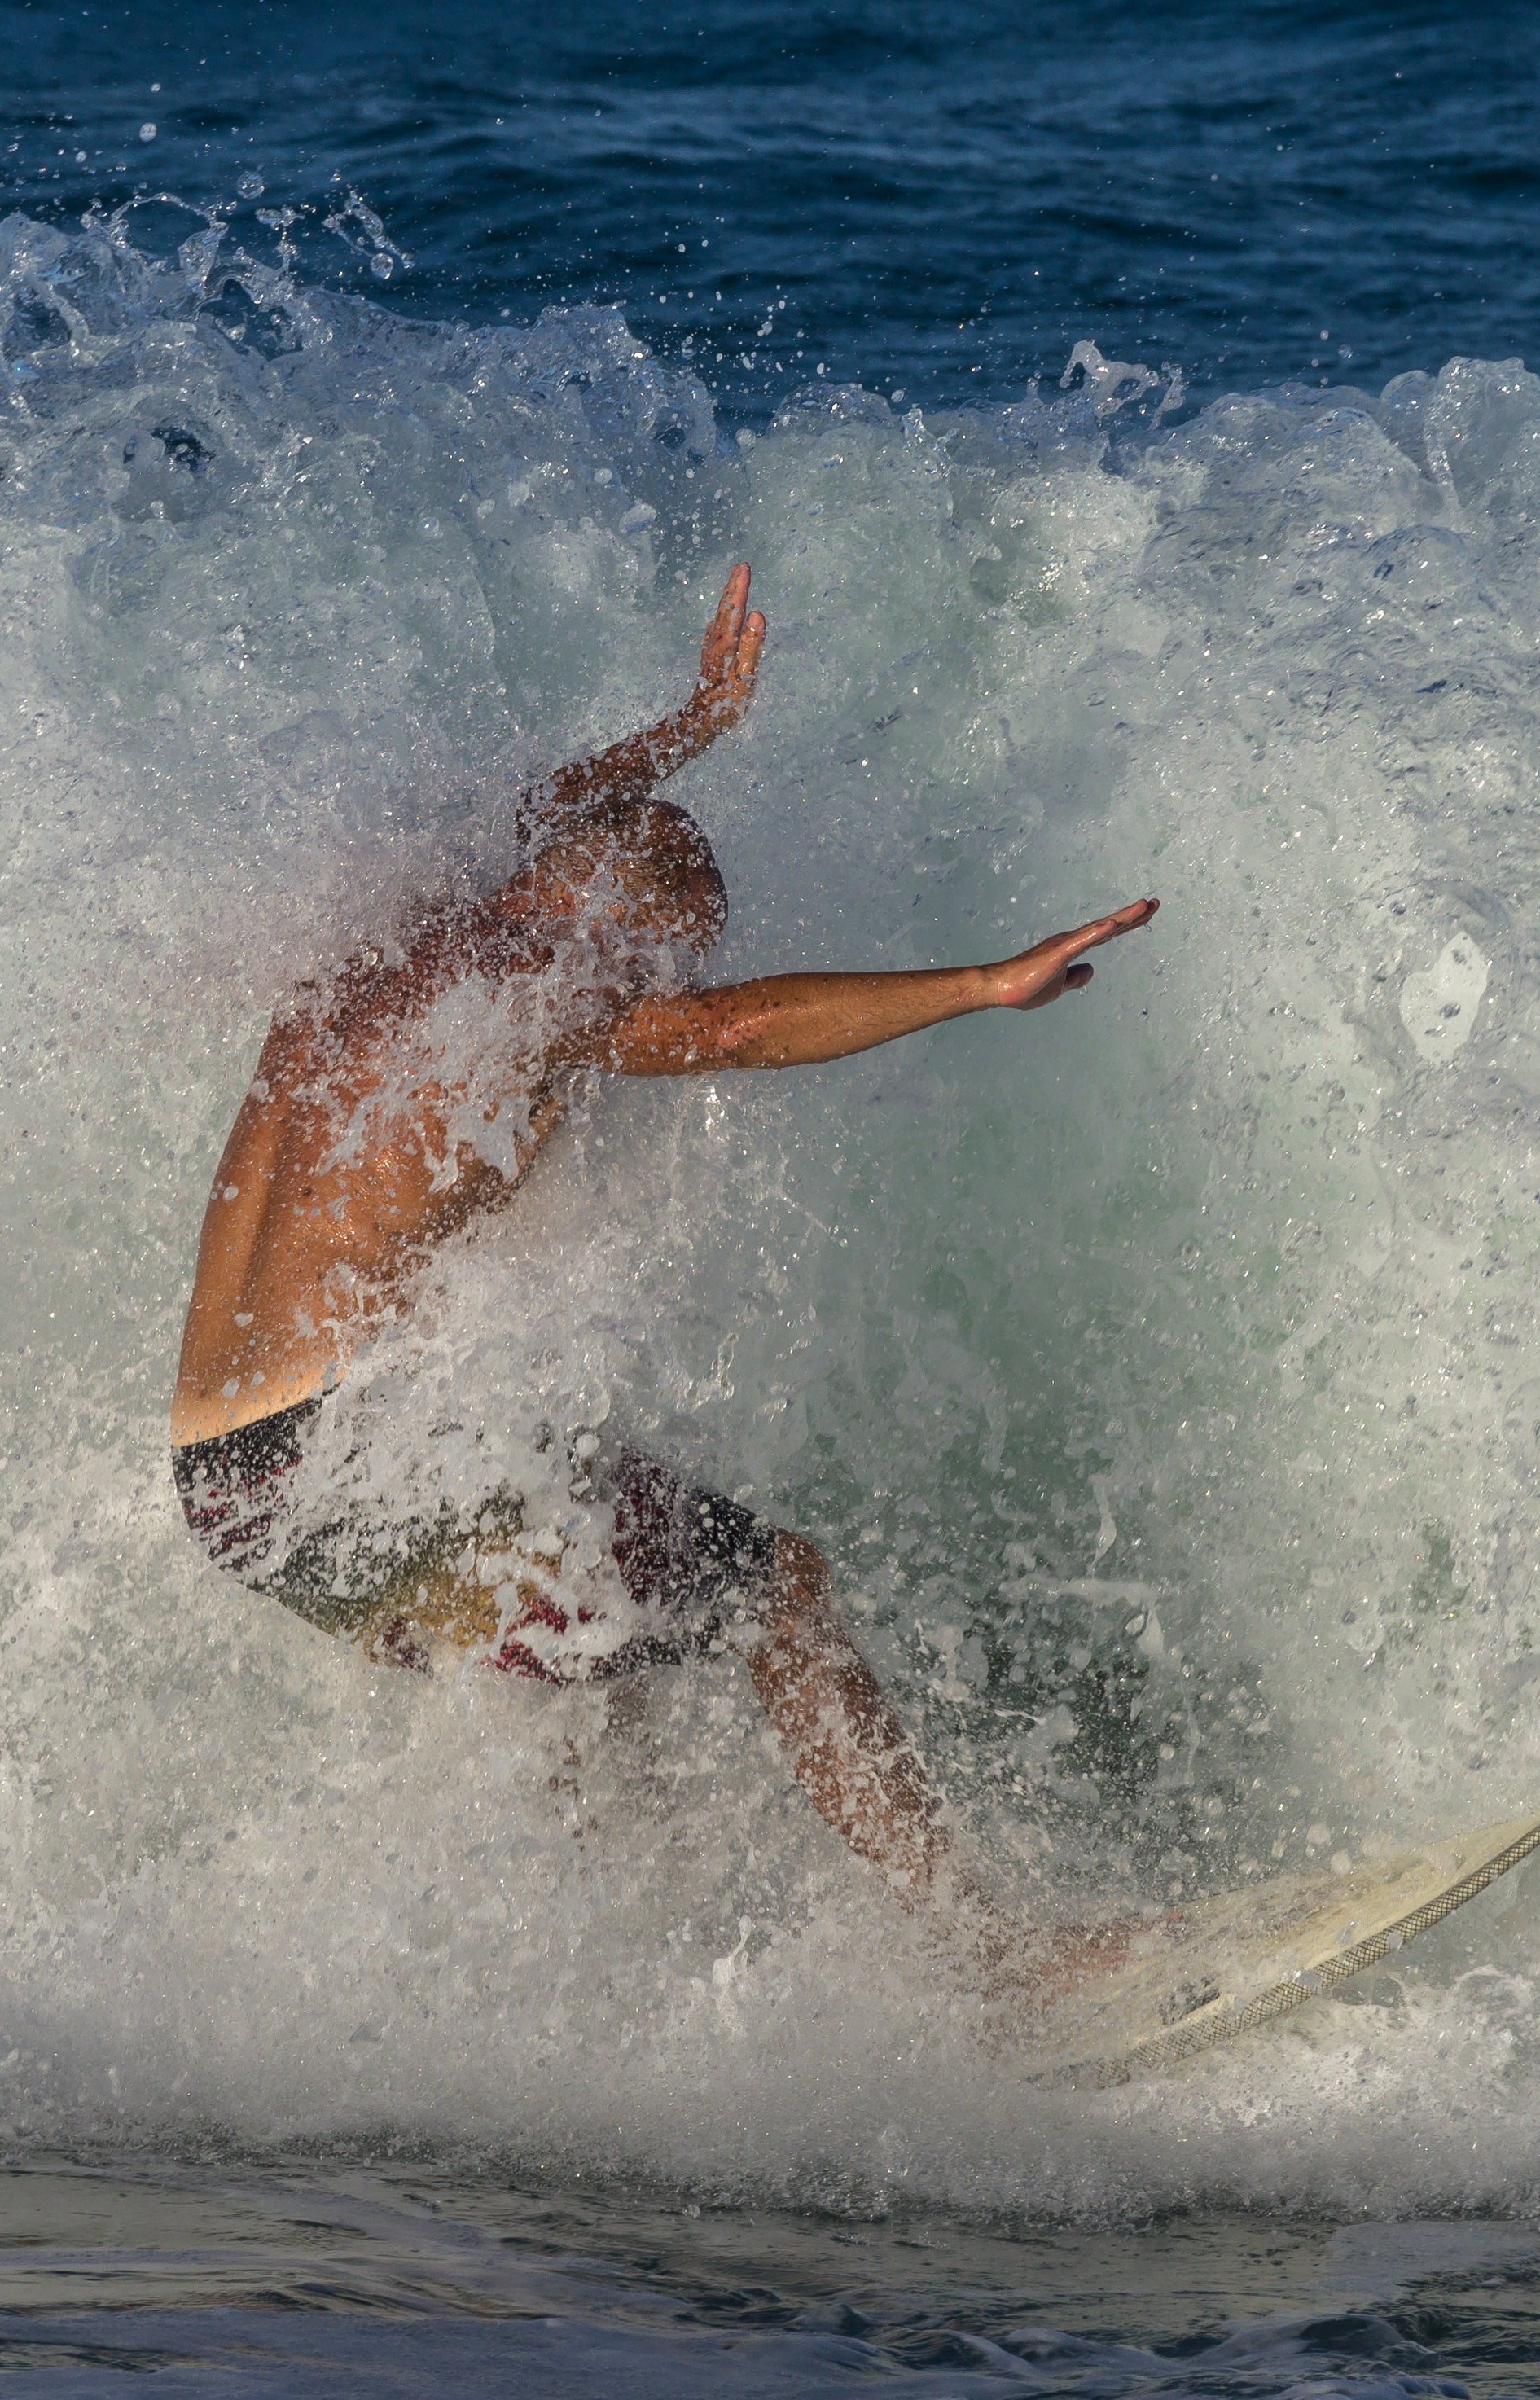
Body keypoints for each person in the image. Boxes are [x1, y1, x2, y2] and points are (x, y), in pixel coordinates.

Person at [171, 561, 1154, 1969]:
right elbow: (734, 1035)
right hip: (347, 1459)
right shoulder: (537, 982)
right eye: (661, 958)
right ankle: (994, 1959)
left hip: (231, 1490)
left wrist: (691, 727)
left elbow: (537, 815)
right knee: (779, 1587)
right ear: (612, 923)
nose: (651, 995)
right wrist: (982, 986)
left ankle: (605, 1991)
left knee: (589, 1655)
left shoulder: (389, 937)